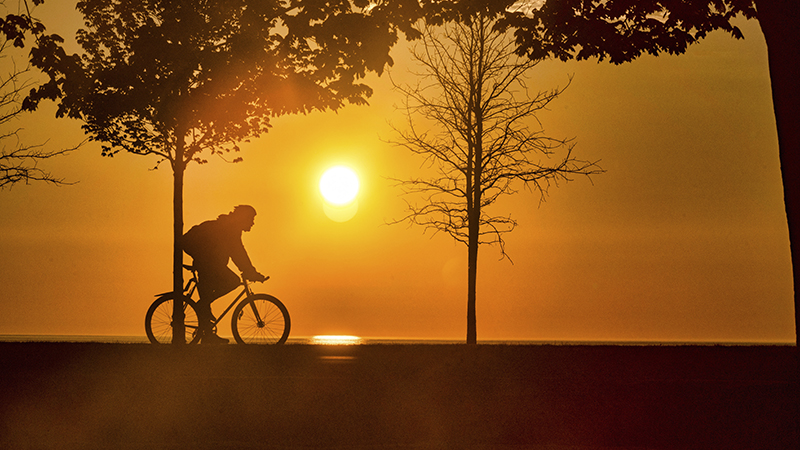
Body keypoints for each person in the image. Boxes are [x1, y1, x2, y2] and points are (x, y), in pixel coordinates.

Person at [182, 205, 267, 344]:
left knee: (207, 296)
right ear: (243, 218)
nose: (252, 223)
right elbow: (238, 253)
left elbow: (238, 254)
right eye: (251, 219)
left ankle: (207, 334)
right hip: (207, 263)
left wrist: (251, 272)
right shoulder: (229, 229)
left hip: (209, 264)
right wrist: (251, 272)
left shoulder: (230, 227)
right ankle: (202, 305)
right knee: (233, 281)